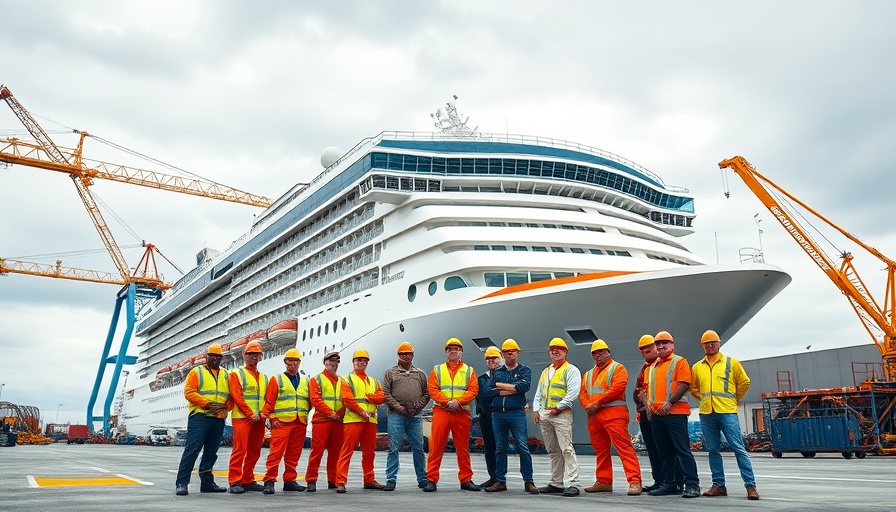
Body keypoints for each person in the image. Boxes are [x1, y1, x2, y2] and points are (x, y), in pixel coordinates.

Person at [690, 330, 759, 500]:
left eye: (713, 342)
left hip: (727, 411)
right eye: (707, 343)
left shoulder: (731, 363)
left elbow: (744, 382)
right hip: (707, 413)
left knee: (738, 448)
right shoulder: (697, 367)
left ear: (719, 344)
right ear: (702, 346)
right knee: (713, 450)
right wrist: (705, 399)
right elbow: (693, 388)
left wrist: (733, 399)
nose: (710, 345)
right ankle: (718, 485)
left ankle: (750, 486)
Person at [579, 339, 642, 496]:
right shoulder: (588, 374)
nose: (598, 355)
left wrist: (596, 403)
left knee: (624, 447)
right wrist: (587, 405)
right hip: (594, 416)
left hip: (614, 414)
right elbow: (582, 394)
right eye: (595, 353)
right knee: (600, 450)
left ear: (608, 352)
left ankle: (634, 481)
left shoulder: (618, 368)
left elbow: (617, 387)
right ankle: (603, 481)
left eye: (601, 351)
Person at [645, 330, 701, 498]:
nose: (661, 346)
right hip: (657, 415)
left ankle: (692, 484)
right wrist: (650, 409)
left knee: (682, 450)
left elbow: (684, 384)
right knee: (664, 452)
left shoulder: (680, 362)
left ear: (672, 344)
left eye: (665, 343)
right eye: (657, 343)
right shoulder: (652, 366)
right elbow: (650, 390)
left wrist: (669, 403)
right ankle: (670, 484)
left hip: (675, 413)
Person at [422, 337, 481, 492]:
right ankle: (431, 479)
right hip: (442, 411)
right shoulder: (437, 370)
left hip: (461, 412)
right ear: (446, 352)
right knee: (436, 447)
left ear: (461, 351)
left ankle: (466, 479)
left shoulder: (469, 370)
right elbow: (432, 389)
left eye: (456, 348)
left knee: (463, 448)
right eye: (450, 349)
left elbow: (473, 390)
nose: (453, 351)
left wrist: (458, 402)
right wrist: (448, 402)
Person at [175, 342, 233, 496]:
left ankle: (207, 483)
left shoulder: (226, 374)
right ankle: (182, 482)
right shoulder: (196, 372)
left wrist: (225, 407)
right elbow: (189, 392)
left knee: (211, 451)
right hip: (199, 417)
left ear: (221, 358)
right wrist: (207, 404)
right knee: (192, 449)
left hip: (218, 418)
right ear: (206, 356)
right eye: (212, 356)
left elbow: (232, 396)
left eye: (218, 356)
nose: (214, 359)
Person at [484, 339, 539, 494]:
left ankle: (529, 481)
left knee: (523, 447)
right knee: (500, 449)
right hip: (498, 415)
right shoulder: (497, 372)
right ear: (503, 354)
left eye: (513, 350)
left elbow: (524, 387)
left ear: (517, 352)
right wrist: (513, 388)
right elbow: (489, 392)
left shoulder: (524, 370)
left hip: (516, 413)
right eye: (507, 351)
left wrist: (499, 386)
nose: (510, 353)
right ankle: (500, 481)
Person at [532, 337, 582, 497]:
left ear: (565, 352)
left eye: (559, 348)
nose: (555, 350)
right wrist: (536, 409)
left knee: (566, 448)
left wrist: (558, 407)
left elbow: (573, 392)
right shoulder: (546, 371)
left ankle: (573, 483)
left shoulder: (571, 370)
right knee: (553, 450)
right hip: (545, 414)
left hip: (562, 414)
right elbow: (539, 392)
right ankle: (556, 482)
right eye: (552, 348)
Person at [335, 348, 386, 493]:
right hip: (353, 420)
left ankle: (369, 479)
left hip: (370, 422)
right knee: (347, 451)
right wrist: (363, 411)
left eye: (363, 360)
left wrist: (370, 398)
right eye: (358, 360)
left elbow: (382, 397)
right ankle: (340, 481)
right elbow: (348, 400)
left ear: (367, 363)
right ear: (353, 362)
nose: (360, 362)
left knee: (369, 453)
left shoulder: (373, 381)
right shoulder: (346, 379)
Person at [260, 348, 309, 494]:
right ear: (285, 362)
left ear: (299, 362)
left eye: (295, 361)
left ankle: (289, 480)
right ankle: (269, 481)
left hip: (300, 422)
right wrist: (271, 418)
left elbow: (309, 401)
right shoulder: (277, 379)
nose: (293, 363)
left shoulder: (306, 381)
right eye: (290, 360)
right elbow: (269, 401)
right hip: (281, 423)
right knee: (276, 453)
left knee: (294, 454)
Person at [382, 341, 431, 491]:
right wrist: (398, 407)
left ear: (412, 355)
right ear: (398, 355)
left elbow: (427, 393)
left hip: (415, 416)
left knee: (419, 448)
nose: (405, 356)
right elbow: (385, 393)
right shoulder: (390, 373)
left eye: (408, 353)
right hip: (396, 416)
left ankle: (422, 478)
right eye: (402, 354)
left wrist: (418, 407)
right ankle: (391, 479)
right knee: (394, 448)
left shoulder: (420, 374)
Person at [228, 340, 268, 494]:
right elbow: (237, 396)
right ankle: (235, 481)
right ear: (243, 355)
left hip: (259, 419)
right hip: (242, 418)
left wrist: (263, 414)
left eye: (257, 354)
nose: (254, 357)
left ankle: (248, 480)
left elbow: (268, 398)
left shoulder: (264, 377)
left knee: (254, 450)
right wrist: (250, 414)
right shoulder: (236, 374)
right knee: (240, 449)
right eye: (251, 354)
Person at [632, 334, 669, 492]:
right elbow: (638, 391)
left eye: (649, 349)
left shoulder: (661, 365)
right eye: (643, 351)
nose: (646, 352)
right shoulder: (646, 368)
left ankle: (669, 481)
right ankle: (659, 480)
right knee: (653, 449)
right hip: (645, 414)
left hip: (659, 413)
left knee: (664, 449)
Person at [304, 350, 345, 492]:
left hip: (338, 421)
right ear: (325, 362)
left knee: (336, 453)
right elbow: (315, 400)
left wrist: (338, 414)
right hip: (322, 421)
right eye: (331, 361)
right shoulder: (316, 380)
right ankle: (311, 480)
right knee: (317, 451)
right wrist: (330, 413)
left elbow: (345, 400)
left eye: (336, 362)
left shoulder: (342, 381)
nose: (334, 364)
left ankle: (332, 480)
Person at [476, 346, 501, 489]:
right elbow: (480, 397)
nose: (492, 360)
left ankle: (500, 478)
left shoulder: (506, 376)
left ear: (500, 358)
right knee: (489, 447)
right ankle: (493, 477)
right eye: (489, 358)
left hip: (500, 416)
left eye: (494, 357)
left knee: (500, 448)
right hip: (486, 417)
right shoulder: (482, 379)